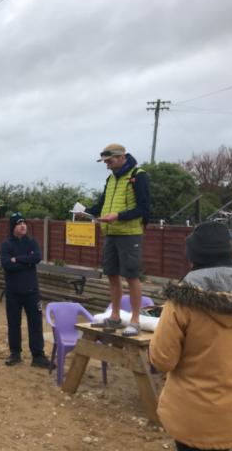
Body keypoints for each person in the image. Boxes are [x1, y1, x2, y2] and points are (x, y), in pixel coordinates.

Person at [149, 221, 232, 451]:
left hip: (190, 416)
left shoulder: (182, 302)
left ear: (192, 257)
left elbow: (162, 359)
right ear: (230, 252)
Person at [84, 143, 150, 336]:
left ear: (122, 157)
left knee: (132, 275)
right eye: (105, 162)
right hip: (110, 232)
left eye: (109, 161)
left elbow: (144, 209)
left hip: (129, 234)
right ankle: (114, 316)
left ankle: (135, 320)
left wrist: (118, 216)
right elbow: (102, 204)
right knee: (112, 274)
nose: (107, 165)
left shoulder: (139, 176)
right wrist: (86, 212)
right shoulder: (111, 178)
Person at [0, 212, 51, 368]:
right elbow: (7, 264)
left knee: (35, 324)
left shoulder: (31, 242)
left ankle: (38, 356)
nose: (23, 226)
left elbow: (37, 257)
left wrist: (19, 259)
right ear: (13, 227)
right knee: (14, 324)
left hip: (32, 292)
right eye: (19, 223)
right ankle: (15, 354)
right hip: (13, 292)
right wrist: (26, 261)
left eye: (24, 223)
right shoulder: (7, 244)